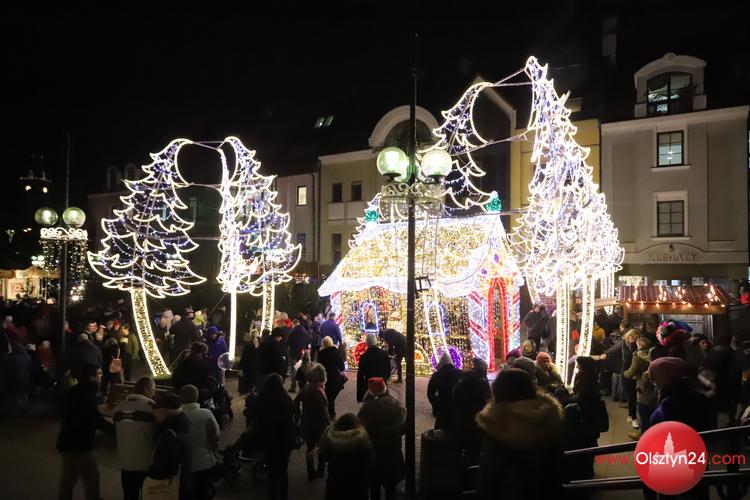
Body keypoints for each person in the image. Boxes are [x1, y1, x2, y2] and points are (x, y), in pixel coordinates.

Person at [475, 368, 564, 499]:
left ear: (498, 392)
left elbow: (487, 479)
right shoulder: (548, 418)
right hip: (547, 491)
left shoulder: (498, 426)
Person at [57, 364, 114, 500]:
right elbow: (95, 419)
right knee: (91, 476)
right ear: (91, 377)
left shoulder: (75, 391)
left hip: (66, 440)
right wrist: (114, 429)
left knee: (69, 476)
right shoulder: (88, 394)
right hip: (79, 443)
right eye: (99, 373)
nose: (101, 375)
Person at [357, 377, 406, 500]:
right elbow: (403, 427)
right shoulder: (395, 404)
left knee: (374, 489)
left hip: (374, 454)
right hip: (392, 451)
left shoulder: (367, 407)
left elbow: (361, 430)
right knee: (391, 489)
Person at [254, 374, 297, 500]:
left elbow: (257, 419)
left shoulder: (262, 400)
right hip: (284, 441)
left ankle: (272, 495)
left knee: (272, 472)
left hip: (270, 441)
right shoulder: (286, 399)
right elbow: (295, 414)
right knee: (283, 471)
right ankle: (283, 495)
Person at [114, 376, 156, 500]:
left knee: (129, 494)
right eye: (153, 389)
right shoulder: (152, 408)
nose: (154, 393)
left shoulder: (119, 407)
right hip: (145, 462)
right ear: (146, 390)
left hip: (125, 462)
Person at [149, 392, 193, 500]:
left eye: (156, 413)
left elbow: (167, 466)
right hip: (184, 480)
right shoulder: (183, 423)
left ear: (165, 411)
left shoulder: (168, 433)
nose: (154, 416)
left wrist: (151, 471)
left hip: (171, 486)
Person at [319, 413, 373, 500]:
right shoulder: (363, 443)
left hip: (335, 485)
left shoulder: (331, 441)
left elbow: (323, 456)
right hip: (358, 487)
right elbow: (369, 464)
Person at [180, 384, 220, 500]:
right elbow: (216, 435)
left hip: (184, 466)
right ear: (196, 396)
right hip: (205, 462)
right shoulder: (206, 413)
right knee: (203, 493)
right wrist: (213, 449)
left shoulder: (177, 415)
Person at [294, 363, 331, 479]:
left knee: (310, 447)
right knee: (321, 447)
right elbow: (324, 413)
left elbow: (296, 400)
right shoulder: (318, 392)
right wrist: (330, 424)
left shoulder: (307, 387)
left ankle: (310, 471)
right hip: (319, 425)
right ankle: (321, 469)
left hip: (306, 422)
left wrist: (298, 414)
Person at [451, 357, 490, 466]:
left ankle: (463, 465)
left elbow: (455, 395)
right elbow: (487, 398)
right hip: (476, 417)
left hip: (463, 415)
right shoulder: (482, 381)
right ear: (483, 369)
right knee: (475, 446)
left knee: (465, 444)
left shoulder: (464, 377)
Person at [426, 351, 462, 431]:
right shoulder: (460, 373)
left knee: (441, 430)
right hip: (457, 408)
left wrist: (436, 405)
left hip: (443, 407)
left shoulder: (437, 375)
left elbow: (430, 393)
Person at [623, 336, 652, 432]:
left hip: (641, 383)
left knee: (642, 406)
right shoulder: (653, 354)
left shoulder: (638, 357)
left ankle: (643, 431)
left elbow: (631, 372)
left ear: (639, 346)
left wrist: (625, 373)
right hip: (652, 383)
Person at [356, 334, 390, 402]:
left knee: (370, 404)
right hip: (382, 383)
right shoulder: (384, 354)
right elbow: (388, 370)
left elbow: (360, 375)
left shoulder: (364, 357)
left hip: (369, 384)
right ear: (376, 342)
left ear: (367, 343)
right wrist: (385, 379)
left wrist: (360, 392)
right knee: (383, 402)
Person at [318, 336, 346, 418]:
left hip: (326, 379)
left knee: (329, 398)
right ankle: (331, 415)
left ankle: (329, 415)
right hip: (336, 380)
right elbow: (342, 367)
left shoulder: (321, 353)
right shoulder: (336, 352)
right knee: (331, 399)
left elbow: (320, 367)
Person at [287, 319, 310, 392]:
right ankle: (303, 385)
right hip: (301, 353)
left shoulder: (292, 331)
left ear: (294, 324)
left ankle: (293, 387)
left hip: (293, 353)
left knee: (293, 369)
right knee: (302, 369)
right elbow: (308, 342)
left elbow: (288, 342)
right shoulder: (305, 331)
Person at [239, 329, 260, 393]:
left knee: (248, 387)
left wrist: (240, 368)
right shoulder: (261, 345)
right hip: (256, 369)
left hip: (247, 369)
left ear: (250, 336)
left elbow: (243, 358)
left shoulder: (247, 346)